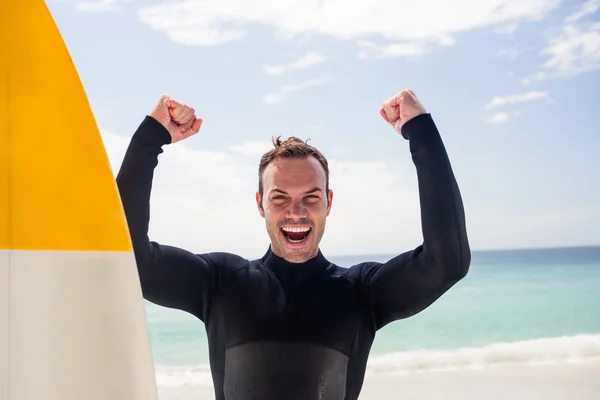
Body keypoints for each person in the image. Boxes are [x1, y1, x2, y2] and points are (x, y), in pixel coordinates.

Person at [116, 89, 470, 400]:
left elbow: (447, 261)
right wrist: (151, 138)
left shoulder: (362, 293)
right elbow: (130, 259)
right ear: (260, 204)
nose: (296, 212)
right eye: (280, 197)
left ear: (329, 202)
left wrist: (421, 130)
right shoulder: (221, 282)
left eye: (311, 197)